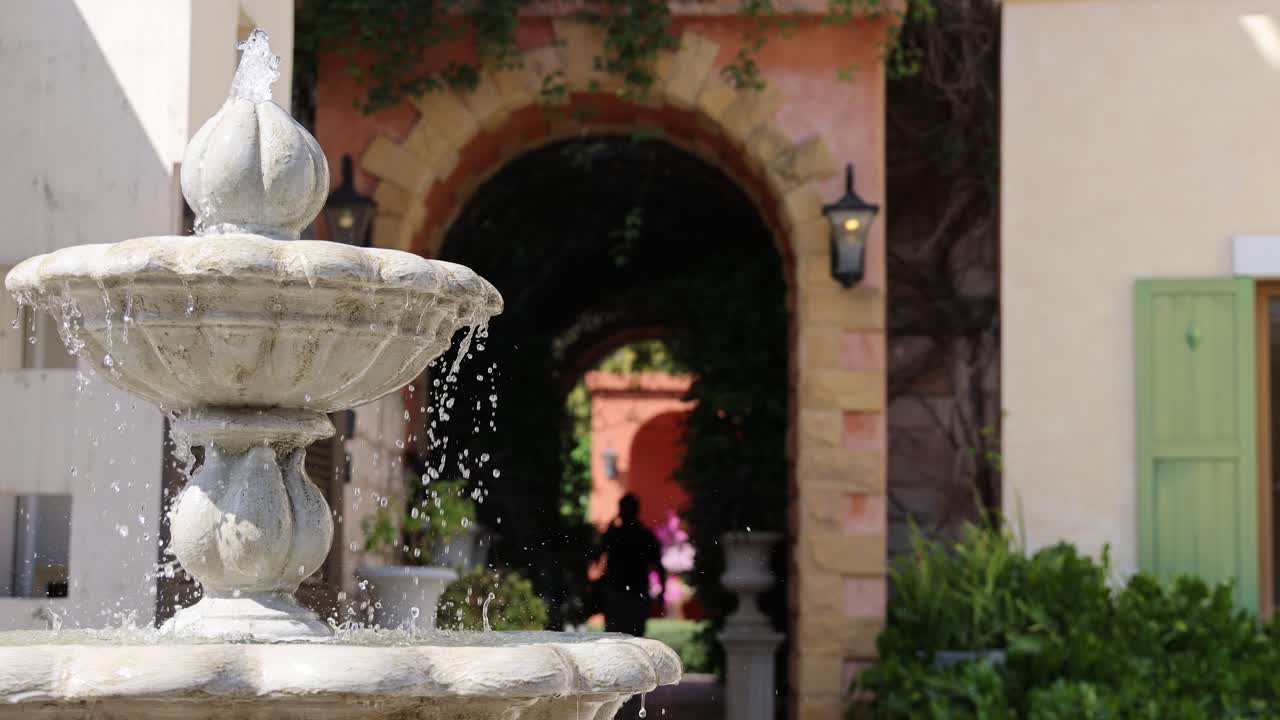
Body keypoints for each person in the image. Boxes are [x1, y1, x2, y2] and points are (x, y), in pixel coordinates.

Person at [599, 494, 666, 637]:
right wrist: (662, 591)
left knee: (615, 638)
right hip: (633, 592)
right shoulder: (643, 535)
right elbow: (658, 565)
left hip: (622, 592)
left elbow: (597, 554)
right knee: (633, 638)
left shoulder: (616, 534)